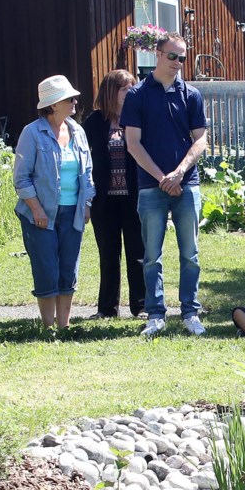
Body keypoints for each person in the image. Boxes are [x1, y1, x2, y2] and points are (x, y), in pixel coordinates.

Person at [121, 32, 208, 337]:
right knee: (151, 255)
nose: (177, 63)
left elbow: (201, 141)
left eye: (182, 58)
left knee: (190, 254)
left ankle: (190, 312)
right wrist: (162, 178)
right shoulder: (137, 95)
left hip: (187, 185)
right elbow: (133, 144)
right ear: (157, 54)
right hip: (151, 187)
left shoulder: (192, 95)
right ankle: (155, 314)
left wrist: (180, 172)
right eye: (172, 56)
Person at [13, 75, 96, 329]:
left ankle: (64, 326)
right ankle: (48, 327)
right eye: (69, 98)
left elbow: (88, 171)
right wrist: (37, 209)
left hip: (73, 211)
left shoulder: (77, 131)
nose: (74, 101)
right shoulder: (32, 133)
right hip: (41, 212)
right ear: (52, 104)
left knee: (68, 268)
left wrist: (87, 205)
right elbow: (21, 178)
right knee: (46, 268)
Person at [82, 69, 145, 319]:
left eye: (132, 87)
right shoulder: (94, 122)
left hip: (133, 197)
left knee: (137, 254)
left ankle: (141, 306)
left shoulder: (137, 119)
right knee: (108, 255)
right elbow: (83, 158)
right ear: (111, 91)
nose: (129, 93)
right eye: (124, 88)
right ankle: (107, 309)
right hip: (104, 200)